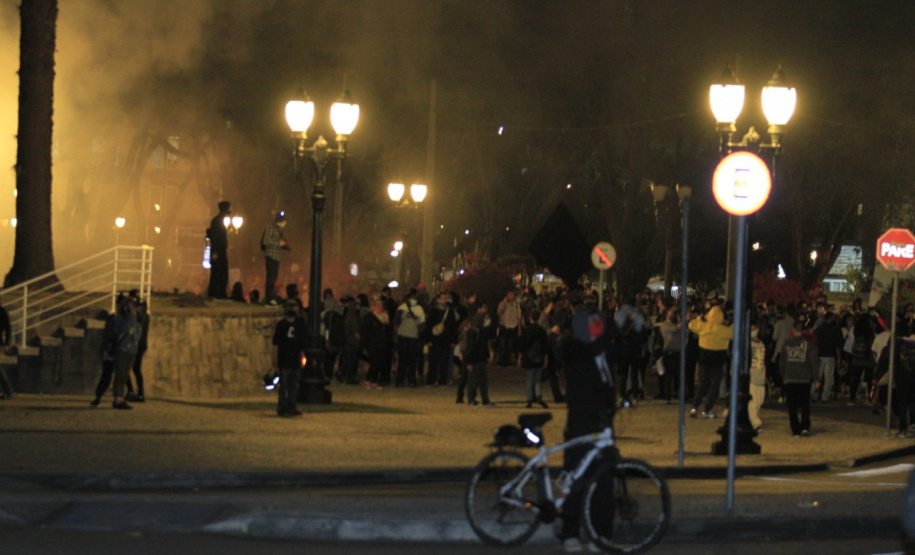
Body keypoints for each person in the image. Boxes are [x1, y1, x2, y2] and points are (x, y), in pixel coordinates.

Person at [558, 304, 621, 552]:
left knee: (604, 483)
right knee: (576, 479)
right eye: (594, 322)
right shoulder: (574, 347)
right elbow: (596, 346)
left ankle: (600, 534)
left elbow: (625, 351)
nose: (599, 326)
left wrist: (638, 329)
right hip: (581, 424)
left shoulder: (601, 350)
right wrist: (615, 325)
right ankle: (569, 533)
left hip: (602, 424)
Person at [688, 304, 733, 419]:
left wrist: (700, 318)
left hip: (704, 358)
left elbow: (691, 324)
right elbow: (734, 332)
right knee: (715, 386)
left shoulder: (703, 326)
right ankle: (707, 410)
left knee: (703, 383)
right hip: (718, 359)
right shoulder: (724, 330)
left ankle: (694, 407)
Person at [779, 319, 819, 437]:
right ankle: (805, 427)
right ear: (803, 330)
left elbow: (782, 362)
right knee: (805, 405)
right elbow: (813, 362)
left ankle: (795, 428)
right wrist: (816, 378)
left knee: (792, 406)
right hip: (804, 378)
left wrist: (783, 376)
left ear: (793, 329)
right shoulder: (809, 344)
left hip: (790, 378)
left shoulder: (787, 343)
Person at [273, 300, 307, 417]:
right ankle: (282, 407)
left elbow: (302, 342)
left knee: (293, 386)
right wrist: (275, 359)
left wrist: (302, 356)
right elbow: (276, 343)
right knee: (283, 386)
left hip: (295, 359)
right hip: (284, 359)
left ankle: (291, 407)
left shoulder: (300, 324)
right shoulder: (281, 325)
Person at [110, 295, 143, 410]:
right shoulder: (120, 319)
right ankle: (117, 398)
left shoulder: (135, 319)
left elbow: (137, 333)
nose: (134, 309)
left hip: (131, 350)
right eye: (132, 307)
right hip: (122, 349)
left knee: (124, 375)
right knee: (120, 374)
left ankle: (121, 397)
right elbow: (123, 332)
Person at [464, 305, 496, 407]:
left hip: (481, 360)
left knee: (483, 382)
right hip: (474, 360)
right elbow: (469, 348)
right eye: (486, 318)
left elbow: (484, 346)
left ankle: (485, 401)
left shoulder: (483, 331)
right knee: (473, 381)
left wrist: (487, 356)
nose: (488, 320)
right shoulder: (473, 331)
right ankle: (471, 399)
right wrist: (469, 362)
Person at [394, 291, 425, 387]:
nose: (413, 299)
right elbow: (396, 323)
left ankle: (412, 380)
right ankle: (400, 380)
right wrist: (395, 336)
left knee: (412, 361)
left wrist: (420, 331)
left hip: (414, 338)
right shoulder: (402, 308)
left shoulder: (420, 309)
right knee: (402, 360)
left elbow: (423, 323)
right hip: (403, 337)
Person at [426, 291, 457, 386]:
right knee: (433, 361)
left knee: (444, 361)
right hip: (435, 340)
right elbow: (428, 326)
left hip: (446, 340)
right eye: (442, 298)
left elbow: (453, 327)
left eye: (445, 298)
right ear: (438, 299)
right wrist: (428, 340)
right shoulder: (433, 311)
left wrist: (453, 341)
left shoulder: (450, 312)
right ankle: (432, 380)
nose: (444, 299)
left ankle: (443, 380)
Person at [520, 309, 549, 408]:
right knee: (538, 379)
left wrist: (520, 357)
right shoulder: (541, 331)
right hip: (539, 356)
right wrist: (545, 358)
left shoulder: (526, 330)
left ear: (530, 317)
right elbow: (545, 346)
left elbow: (522, 345)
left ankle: (529, 399)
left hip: (529, 357)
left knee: (529, 379)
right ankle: (539, 396)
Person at [360, 298, 391, 390]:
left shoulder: (383, 317)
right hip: (372, 344)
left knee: (377, 363)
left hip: (381, 344)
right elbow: (364, 332)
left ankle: (369, 380)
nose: (380, 307)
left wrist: (387, 323)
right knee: (375, 362)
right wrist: (364, 345)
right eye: (378, 305)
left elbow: (387, 331)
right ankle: (372, 381)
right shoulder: (369, 317)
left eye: (381, 305)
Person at [261, 211, 290, 304]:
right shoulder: (271, 228)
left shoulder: (278, 230)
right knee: (270, 278)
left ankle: (271, 297)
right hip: (271, 256)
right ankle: (269, 298)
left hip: (276, 256)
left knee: (274, 278)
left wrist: (284, 245)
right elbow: (266, 241)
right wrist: (278, 244)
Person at [126, 298, 150, 403]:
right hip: (141, 345)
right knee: (136, 369)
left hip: (132, 345)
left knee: (125, 368)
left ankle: (131, 391)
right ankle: (140, 393)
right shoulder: (146, 316)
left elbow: (131, 330)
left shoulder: (134, 316)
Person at [207, 200, 231, 299]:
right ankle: (218, 293)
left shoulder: (218, 220)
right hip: (219, 252)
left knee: (218, 272)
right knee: (220, 272)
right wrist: (215, 252)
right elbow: (216, 237)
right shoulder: (218, 221)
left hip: (219, 251)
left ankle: (216, 292)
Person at [748, 321, 767, 431]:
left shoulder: (761, 344)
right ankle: (755, 423)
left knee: (759, 401)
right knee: (752, 402)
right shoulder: (748, 344)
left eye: (754, 329)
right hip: (751, 375)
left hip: (760, 376)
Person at [496, 290, 522, 366]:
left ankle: (507, 361)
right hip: (504, 326)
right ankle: (500, 360)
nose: (511, 296)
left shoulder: (516, 305)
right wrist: (503, 303)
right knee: (502, 344)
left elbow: (519, 317)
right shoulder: (503, 303)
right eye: (509, 294)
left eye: (512, 294)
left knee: (510, 346)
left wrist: (519, 329)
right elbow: (498, 312)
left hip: (513, 326)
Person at [0, 298, 13, 399]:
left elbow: (8, 328)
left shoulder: (2, 311)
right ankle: (7, 390)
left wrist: (7, 343)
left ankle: (8, 390)